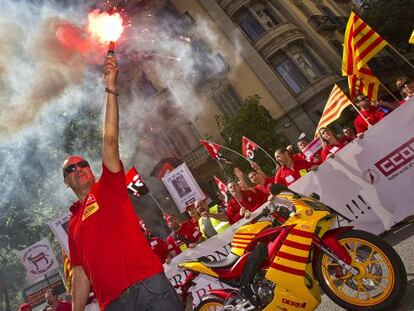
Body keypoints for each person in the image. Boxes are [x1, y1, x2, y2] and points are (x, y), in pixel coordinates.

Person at [64, 56, 182, 311]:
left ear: (91, 170)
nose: (78, 169)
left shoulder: (108, 185)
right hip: (114, 304)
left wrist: (110, 89)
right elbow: (80, 271)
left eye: (82, 164)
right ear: (67, 181)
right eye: (70, 169)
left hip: (148, 286)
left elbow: (109, 139)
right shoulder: (72, 225)